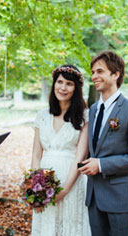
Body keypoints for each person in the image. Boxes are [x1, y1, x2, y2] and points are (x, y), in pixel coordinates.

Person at [79, 51, 128, 236]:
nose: (94, 77)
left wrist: (101, 165)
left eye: (100, 71)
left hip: (121, 201)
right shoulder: (93, 110)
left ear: (115, 74)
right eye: (93, 72)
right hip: (94, 200)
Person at [30, 64, 91, 236]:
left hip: (71, 181)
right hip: (45, 182)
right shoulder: (43, 116)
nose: (63, 88)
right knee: (47, 227)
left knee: (71, 227)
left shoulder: (84, 116)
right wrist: (37, 187)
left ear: (76, 88)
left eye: (69, 84)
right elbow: (36, 154)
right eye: (60, 82)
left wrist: (64, 190)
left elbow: (80, 157)